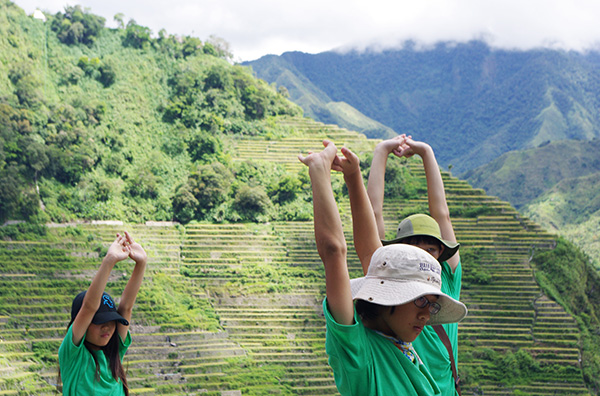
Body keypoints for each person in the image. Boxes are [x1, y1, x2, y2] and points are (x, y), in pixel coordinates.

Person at [299, 140, 467, 396]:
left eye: (432, 304)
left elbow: (371, 250)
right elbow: (335, 253)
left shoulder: (406, 350)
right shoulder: (360, 354)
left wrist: (354, 176)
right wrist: (320, 173)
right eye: (420, 301)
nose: (427, 315)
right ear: (390, 295)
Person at [358, 135, 463, 395]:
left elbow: (442, 215)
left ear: (440, 253)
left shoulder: (447, 280)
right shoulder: (388, 280)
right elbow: (372, 217)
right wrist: (381, 151)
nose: (425, 256)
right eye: (415, 249)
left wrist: (426, 153)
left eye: (431, 249)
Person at [58, 231, 147, 396]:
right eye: (99, 322)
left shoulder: (114, 355)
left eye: (112, 321)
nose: (108, 327)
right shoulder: (73, 358)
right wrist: (109, 261)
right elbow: (89, 308)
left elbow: (126, 307)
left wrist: (141, 263)